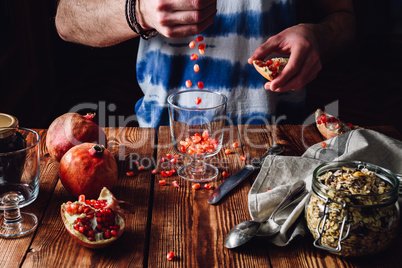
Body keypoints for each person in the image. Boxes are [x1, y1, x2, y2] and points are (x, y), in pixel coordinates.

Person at [55, 0, 355, 127]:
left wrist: (319, 37)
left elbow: (343, 17)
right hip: (160, 143)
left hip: (279, 140)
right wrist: (139, 10)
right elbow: (67, 20)